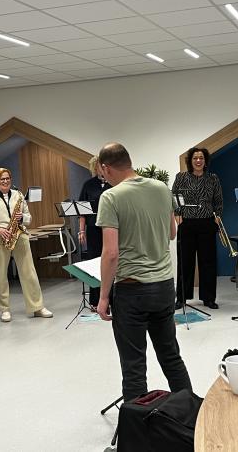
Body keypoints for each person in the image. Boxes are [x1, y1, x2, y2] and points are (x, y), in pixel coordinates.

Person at [95, 142, 192, 402]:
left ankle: (136, 425)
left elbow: (111, 253)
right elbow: (171, 233)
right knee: (171, 356)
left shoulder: (110, 197)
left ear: (106, 168)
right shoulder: (161, 188)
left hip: (132, 290)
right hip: (164, 286)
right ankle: (191, 414)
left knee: (134, 366)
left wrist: (103, 297)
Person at [0, 168, 52, 322]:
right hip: (0, 237)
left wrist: (21, 218)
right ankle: (4, 309)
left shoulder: (19, 195)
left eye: (7, 178)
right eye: (2, 179)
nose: (5, 181)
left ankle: (37, 307)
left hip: (19, 235)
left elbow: (29, 218)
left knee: (29, 272)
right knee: (1, 274)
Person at [172, 147, 223, 309]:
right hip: (186, 223)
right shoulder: (181, 177)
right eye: (195, 158)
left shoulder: (213, 178)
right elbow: (174, 197)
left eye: (201, 158)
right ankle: (181, 298)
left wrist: (217, 216)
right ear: (190, 161)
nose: (198, 161)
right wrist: (177, 215)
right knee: (184, 262)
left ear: (205, 160)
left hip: (207, 223)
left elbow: (218, 200)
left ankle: (209, 298)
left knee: (208, 262)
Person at [78, 156, 111, 308]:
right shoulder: (88, 185)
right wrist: (81, 231)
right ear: (94, 168)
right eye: (98, 166)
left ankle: (112, 299)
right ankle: (95, 300)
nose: (101, 169)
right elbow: (82, 211)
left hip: (111, 228)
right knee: (95, 263)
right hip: (93, 229)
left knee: (110, 261)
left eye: (104, 165)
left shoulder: (114, 183)